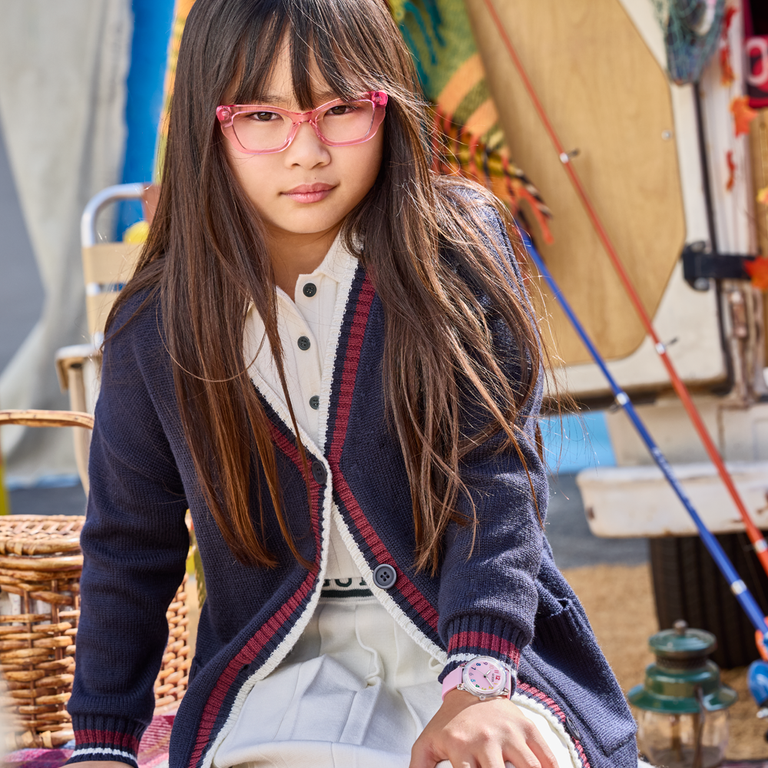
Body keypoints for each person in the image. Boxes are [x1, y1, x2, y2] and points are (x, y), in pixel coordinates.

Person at [65, 0, 639, 767]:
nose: (306, 152)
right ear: (208, 122)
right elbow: (128, 547)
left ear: (389, 106)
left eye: (340, 109)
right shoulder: (158, 322)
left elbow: (495, 479)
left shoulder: (454, 251)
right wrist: (101, 745)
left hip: (478, 654)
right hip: (279, 676)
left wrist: (479, 688)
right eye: (262, 116)